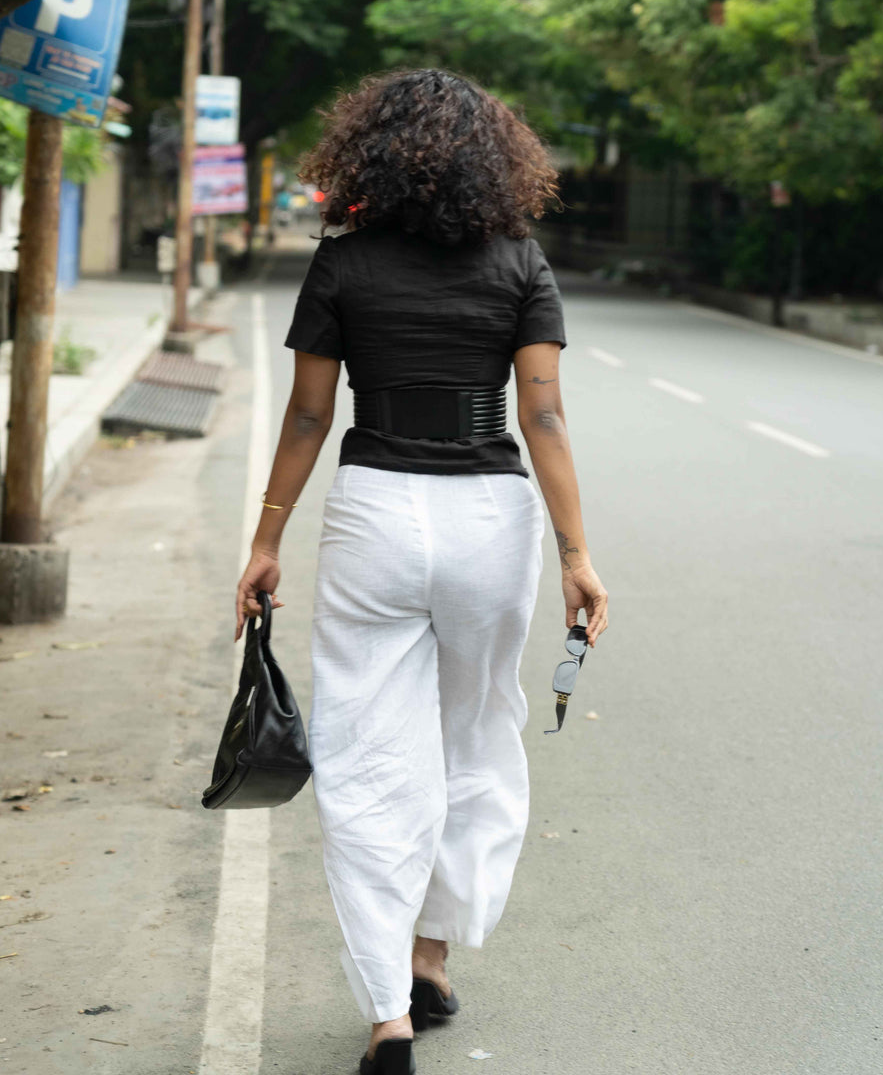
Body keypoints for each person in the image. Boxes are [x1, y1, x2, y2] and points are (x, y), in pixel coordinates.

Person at [235, 68, 609, 1075]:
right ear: (498, 161)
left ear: (369, 156)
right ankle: (433, 957)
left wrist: (267, 540)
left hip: (376, 514)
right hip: (491, 518)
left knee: (366, 757)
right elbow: (542, 419)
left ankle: (387, 1016)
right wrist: (576, 556)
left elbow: (310, 415)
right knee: (474, 732)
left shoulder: (343, 266)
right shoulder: (520, 263)